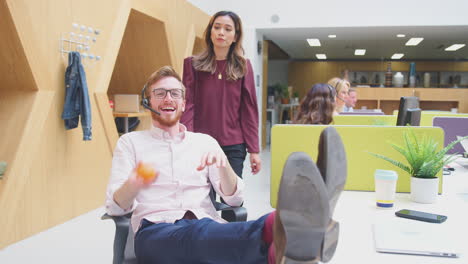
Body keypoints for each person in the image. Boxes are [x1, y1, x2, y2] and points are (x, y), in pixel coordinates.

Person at [105, 66, 347, 264]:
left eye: (175, 93)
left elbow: (234, 201)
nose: (168, 98)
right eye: (159, 93)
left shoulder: (204, 142)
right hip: (155, 233)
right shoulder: (130, 143)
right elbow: (116, 208)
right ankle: (293, 222)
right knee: (200, 237)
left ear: (183, 102)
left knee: (212, 241)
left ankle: (289, 248)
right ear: (148, 102)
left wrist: (224, 167)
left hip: (205, 224)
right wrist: (134, 183)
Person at [181, 10, 261, 178]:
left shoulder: (243, 66)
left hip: (233, 145)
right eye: (217, 27)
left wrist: (254, 150)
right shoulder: (192, 65)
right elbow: (188, 105)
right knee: (203, 200)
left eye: (227, 29)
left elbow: (249, 110)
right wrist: (187, 140)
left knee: (231, 200)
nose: (221, 33)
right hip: (200, 144)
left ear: (235, 36)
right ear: (210, 31)